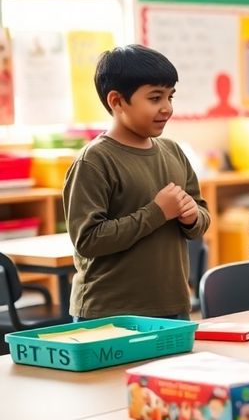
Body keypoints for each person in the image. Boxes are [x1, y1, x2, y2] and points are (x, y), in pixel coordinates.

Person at [64, 44, 209, 321]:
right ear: (117, 101)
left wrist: (192, 217)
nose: (167, 108)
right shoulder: (94, 161)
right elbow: (88, 240)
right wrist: (157, 212)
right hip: (109, 312)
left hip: (173, 307)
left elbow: (201, 214)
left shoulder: (173, 151)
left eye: (170, 97)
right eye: (155, 98)